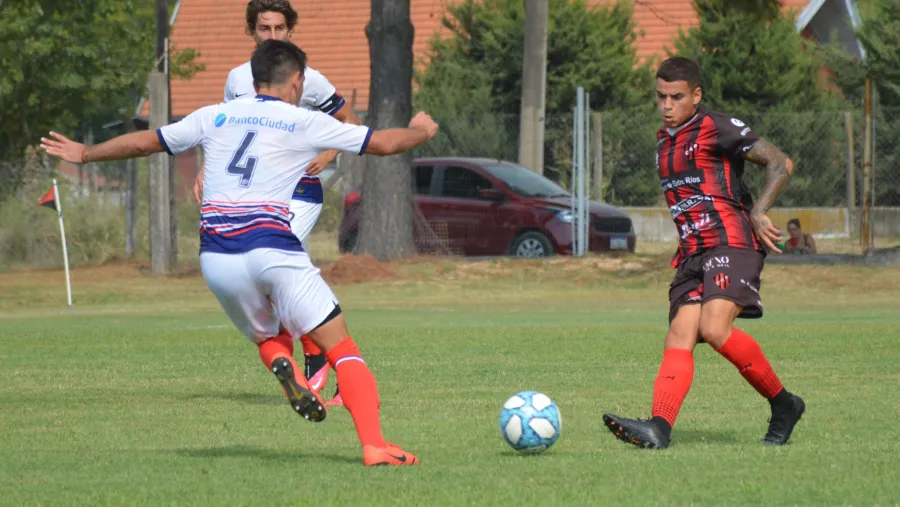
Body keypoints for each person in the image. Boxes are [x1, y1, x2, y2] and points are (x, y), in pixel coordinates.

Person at [41, 40, 438, 466]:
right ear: (298, 80)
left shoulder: (215, 115)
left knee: (268, 336)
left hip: (217, 257)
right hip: (272, 247)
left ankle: (288, 367)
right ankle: (375, 446)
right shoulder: (301, 120)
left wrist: (84, 153)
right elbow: (383, 144)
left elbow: (145, 143)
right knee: (343, 348)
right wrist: (420, 129)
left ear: (252, 80)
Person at [601, 57, 805, 449]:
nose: (666, 104)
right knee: (679, 334)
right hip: (692, 254)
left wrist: (759, 211)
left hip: (731, 241)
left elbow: (781, 161)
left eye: (676, 97)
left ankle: (784, 404)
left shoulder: (717, 127)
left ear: (696, 96)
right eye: (660, 96)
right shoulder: (664, 140)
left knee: (713, 328)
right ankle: (659, 428)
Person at [193, 0, 360, 407]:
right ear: (252, 32)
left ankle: (315, 355)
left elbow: (350, 122)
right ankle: (311, 356)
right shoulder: (237, 79)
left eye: (279, 29)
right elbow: (224, 130)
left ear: (290, 31)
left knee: (274, 272)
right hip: (250, 199)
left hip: (298, 194)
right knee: (267, 280)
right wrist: (205, 170)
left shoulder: (309, 80)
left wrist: (327, 155)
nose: (272, 36)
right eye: (264, 28)